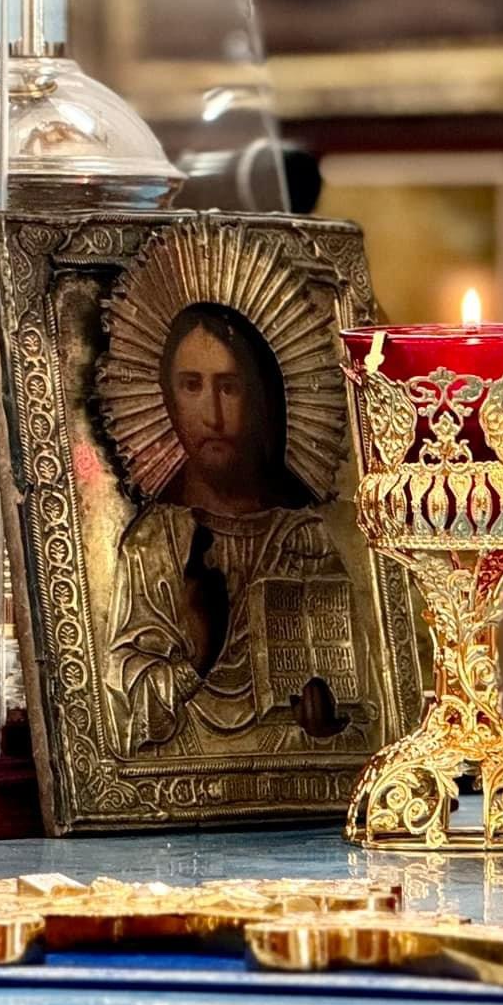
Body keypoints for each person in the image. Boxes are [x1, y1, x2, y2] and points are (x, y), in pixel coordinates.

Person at [107, 305, 360, 754]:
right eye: (192, 385)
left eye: (229, 387)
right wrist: (197, 659)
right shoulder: (151, 545)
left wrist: (329, 716)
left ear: (260, 397)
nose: (213, 415)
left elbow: (365, 701)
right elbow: (123, 715)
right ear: (167, 398)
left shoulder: (307, 539)